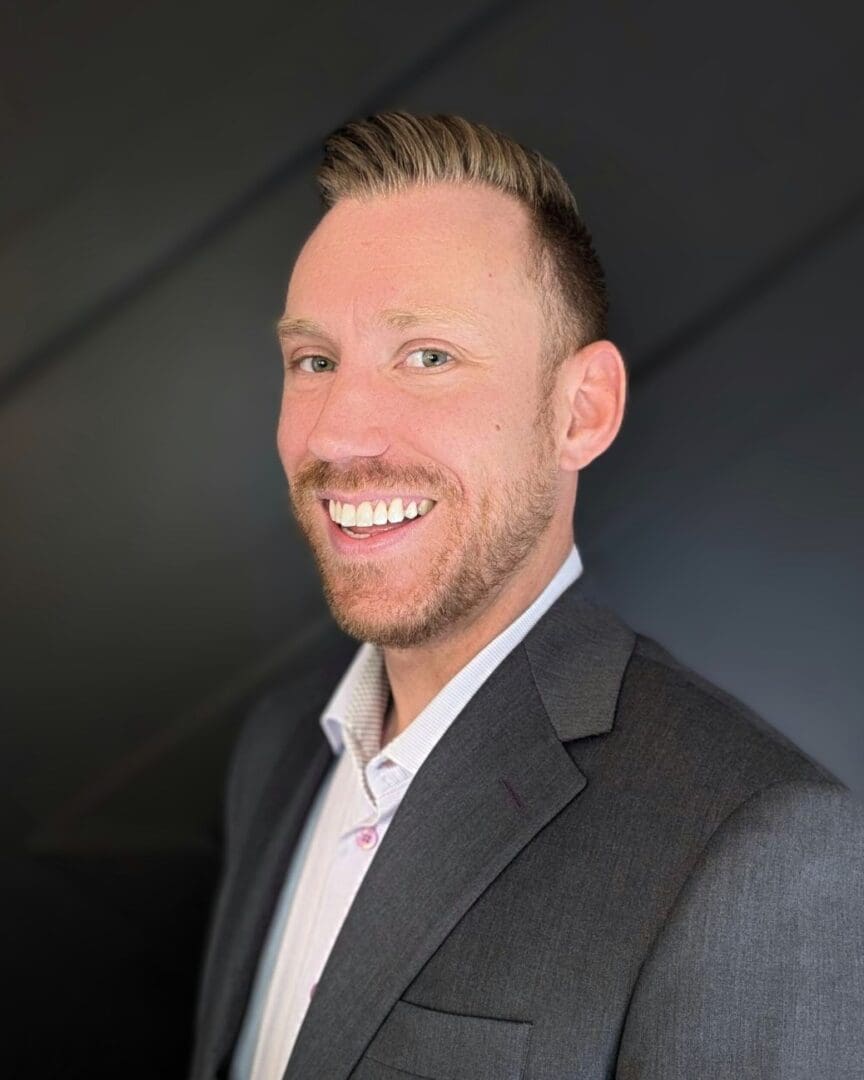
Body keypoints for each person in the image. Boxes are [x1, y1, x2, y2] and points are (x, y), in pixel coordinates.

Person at [189, 112, 864, 1080]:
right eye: (314, 361)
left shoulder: (766, 851)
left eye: (427, 356)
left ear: (580, 412)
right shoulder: (280, 748)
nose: (339, 434)